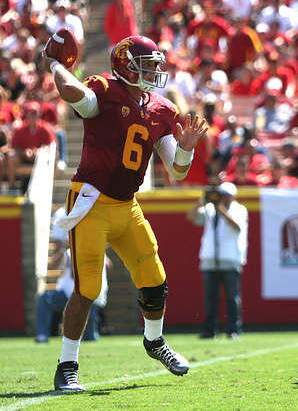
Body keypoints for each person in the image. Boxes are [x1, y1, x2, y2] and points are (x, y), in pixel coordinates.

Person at [42, 35, 208, 391]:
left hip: (127, 204)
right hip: (91, 201)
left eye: (154, 64)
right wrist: (58, 67)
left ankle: (155, 342)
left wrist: (187, 150)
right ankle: (66, 366)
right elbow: (74, 96)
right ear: (125, 65)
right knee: (87, 288)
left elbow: (176, 170)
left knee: (155, 280)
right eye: (146, 64)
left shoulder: (161, 108)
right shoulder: (103, 89)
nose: (153, 70)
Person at [36, 207, 110, 343]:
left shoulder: (94, 247)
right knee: (44, 299)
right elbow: (52, 265)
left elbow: (107, 264)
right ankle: (42, 335)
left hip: (89, 296)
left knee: (89, 338)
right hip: (67, 293)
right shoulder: (69, 250)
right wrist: (64, 247)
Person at [186, 182, 248, 339]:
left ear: (233, 196)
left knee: (232, 297)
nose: (224, 198)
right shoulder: (209, 209)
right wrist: (203, 200)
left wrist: (220, 209)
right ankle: (210, 329)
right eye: (222, 194)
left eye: (227, 195)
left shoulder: (240, 209)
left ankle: (233, 329)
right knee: (210, 298)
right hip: (210, 259)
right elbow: (191, 216)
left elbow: (236, 226)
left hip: (230, 258)